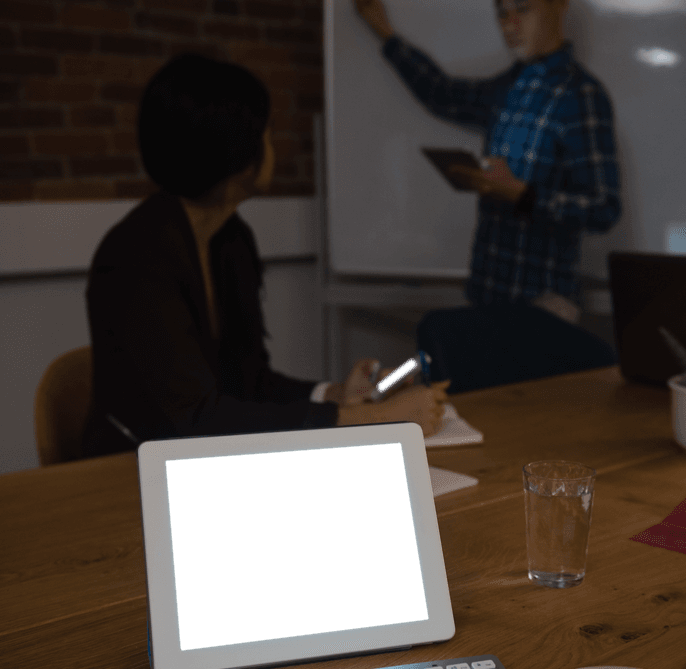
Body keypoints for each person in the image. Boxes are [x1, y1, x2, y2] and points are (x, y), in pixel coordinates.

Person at [82, 53, 447, 458]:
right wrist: (375, 421)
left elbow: (249, 381)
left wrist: (337, 394)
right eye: (267, 133)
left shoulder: (231, 238)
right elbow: (193, 421)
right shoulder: (135, 258)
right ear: (238, 156)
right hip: (128, 473)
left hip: (206, 461)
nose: (275, 145)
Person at [351, 0, 620, 392]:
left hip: (542, 311)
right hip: (484, 298)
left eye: (523, 7)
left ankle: (381, 389)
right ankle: (378, 390)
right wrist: (384, 32)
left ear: (559, 2)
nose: (510, 24)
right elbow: (441, 92)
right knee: (453, 406)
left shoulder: (582, 97)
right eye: (500, 11)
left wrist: (524, 195)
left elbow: (604, 208)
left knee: (507, 423)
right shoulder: (507, 88)